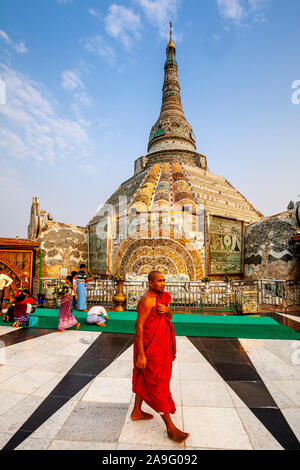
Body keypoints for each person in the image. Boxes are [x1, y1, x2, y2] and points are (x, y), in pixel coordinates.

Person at [131, 271, 189, 444]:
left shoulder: (163, 298)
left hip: (160, 347)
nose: (163, 283)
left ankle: (136, 411)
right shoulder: (147, 300)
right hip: (149, 348)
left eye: (164, 280)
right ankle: (170, 427)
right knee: (158, 383)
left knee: (145, 377)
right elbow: (139, 327)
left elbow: (168, 318)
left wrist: (168, 310)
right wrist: (141, 354)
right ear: (150, 283)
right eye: (159, 281)